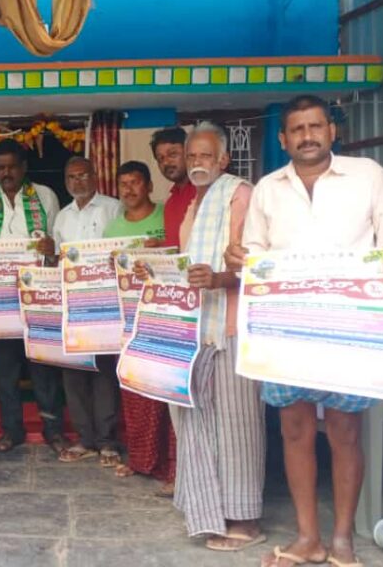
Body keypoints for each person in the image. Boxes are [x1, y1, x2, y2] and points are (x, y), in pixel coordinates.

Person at [225, 95, 383, 567]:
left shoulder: (368, 176)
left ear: (332, 131)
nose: (308, 136)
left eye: (316, 126)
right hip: (285, 328)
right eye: (298, 129)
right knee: (295, 430)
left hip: (350, 327)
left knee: (345, 432)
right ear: (283, 139)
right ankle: (309, 538)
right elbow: (254, 254)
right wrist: (239, 259)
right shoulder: (268, 188)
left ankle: (342, 540)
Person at [147, 123, 265, 551]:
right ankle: (210, 511)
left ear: (223, 160)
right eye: (192, 156)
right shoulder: (193, 204)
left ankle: (245, 519)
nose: (197, 163)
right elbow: (188, 265)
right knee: (195, 421)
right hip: (193, 329)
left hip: (231, 326)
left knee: (237, 426)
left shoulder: (240, 195)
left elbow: (260, 263)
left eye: (205, 156)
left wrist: (219, 278)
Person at [0, 139, 65, 453]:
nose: (6, 173)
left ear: (23, 167)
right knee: (5, 368)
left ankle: (53, 430)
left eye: (12, 166)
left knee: (43, 365)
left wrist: (52, 248)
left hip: (38, 297)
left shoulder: (45, 196)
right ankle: (12, 431)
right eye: (1, 167)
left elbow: (57, 243)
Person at [104, 160, 176, 496]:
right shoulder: (113, 229)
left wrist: (160, 250)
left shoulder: (166, 216)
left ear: (149, 185)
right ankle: (141, 459)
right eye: (123, 184)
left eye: (135, 182)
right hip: (130, 322)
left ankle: (171, 466)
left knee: (166, 394)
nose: (129, 190)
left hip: (167, 318)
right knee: (135, 392)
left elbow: (181, 254)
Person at [51, 157, 122, 466]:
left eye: (83, 175)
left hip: (104, 304)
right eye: (71, 177)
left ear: (95, 176)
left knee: (104, 372)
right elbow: (56, 259)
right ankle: (85, 440)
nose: (77, 182)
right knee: (74, 373)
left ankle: (106, 442)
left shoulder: (113, 208)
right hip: (72, 305)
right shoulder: (62, 217)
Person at [150, 126, 196, 248]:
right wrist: (160, 246)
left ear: (189, 154)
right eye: (160, 158)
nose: (166, 162)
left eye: (172, 154)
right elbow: (178, 246)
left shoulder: (204, 191)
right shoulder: (170, 204)